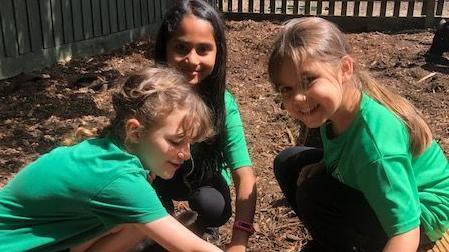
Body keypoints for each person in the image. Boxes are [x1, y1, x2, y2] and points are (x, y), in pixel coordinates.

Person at [268, 17, 449, 252]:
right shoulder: (335, 109)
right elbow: (347, 147)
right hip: (387, 185)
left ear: (345, 69)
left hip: (422, 217)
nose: (298, 98)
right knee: (289, 163)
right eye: (287, 89)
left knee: (315, 195)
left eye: (308, 80)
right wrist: (325, 163)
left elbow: (406, 232)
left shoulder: (375, 146)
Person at [0, 67, 223, 252]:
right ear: (135, 132)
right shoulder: (119, 179)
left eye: (189, 143)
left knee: (136, 222)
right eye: (176, 142)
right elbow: (194, 249)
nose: (186, 153)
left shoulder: (110, 154)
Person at [152, 0, 257, 251]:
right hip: (159, 176)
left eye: (203, 49)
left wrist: (240, 241)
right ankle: (161, 212)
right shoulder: (151, 98)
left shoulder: (222, 103)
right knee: (153, 228)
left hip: (202, 177)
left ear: (217, 52)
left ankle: (206, 226)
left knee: (214, 206)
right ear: (164, 49)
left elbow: (244, 174)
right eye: (181, 47)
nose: (192, 59)